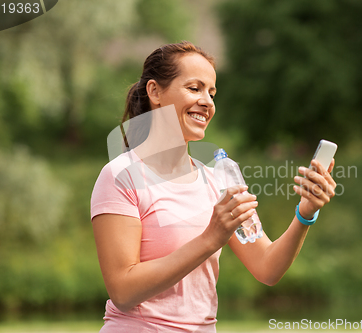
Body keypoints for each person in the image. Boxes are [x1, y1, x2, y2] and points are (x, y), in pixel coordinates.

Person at [90, 41, 336, 333]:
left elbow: (267, 267)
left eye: (211, 92)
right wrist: (211, 237)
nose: (207, 102)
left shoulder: (219, 179)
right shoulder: (120, 176)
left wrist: (305, 214)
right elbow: (123, 290)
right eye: (194, 89)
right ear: (155, 92)